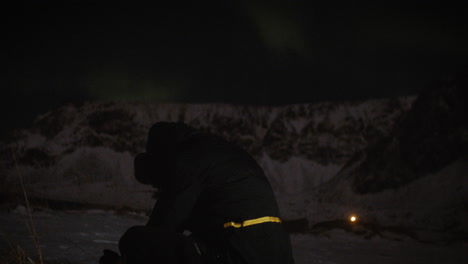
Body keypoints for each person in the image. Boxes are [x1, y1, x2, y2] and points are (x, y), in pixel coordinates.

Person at [99, 122, 294, 264]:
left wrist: (127, 258)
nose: (158, 189)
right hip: (279, 254)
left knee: (135, 239)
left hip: (240, 253)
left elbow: (163, 225)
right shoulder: (216, 152)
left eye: (158, 183)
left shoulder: (186, 163)